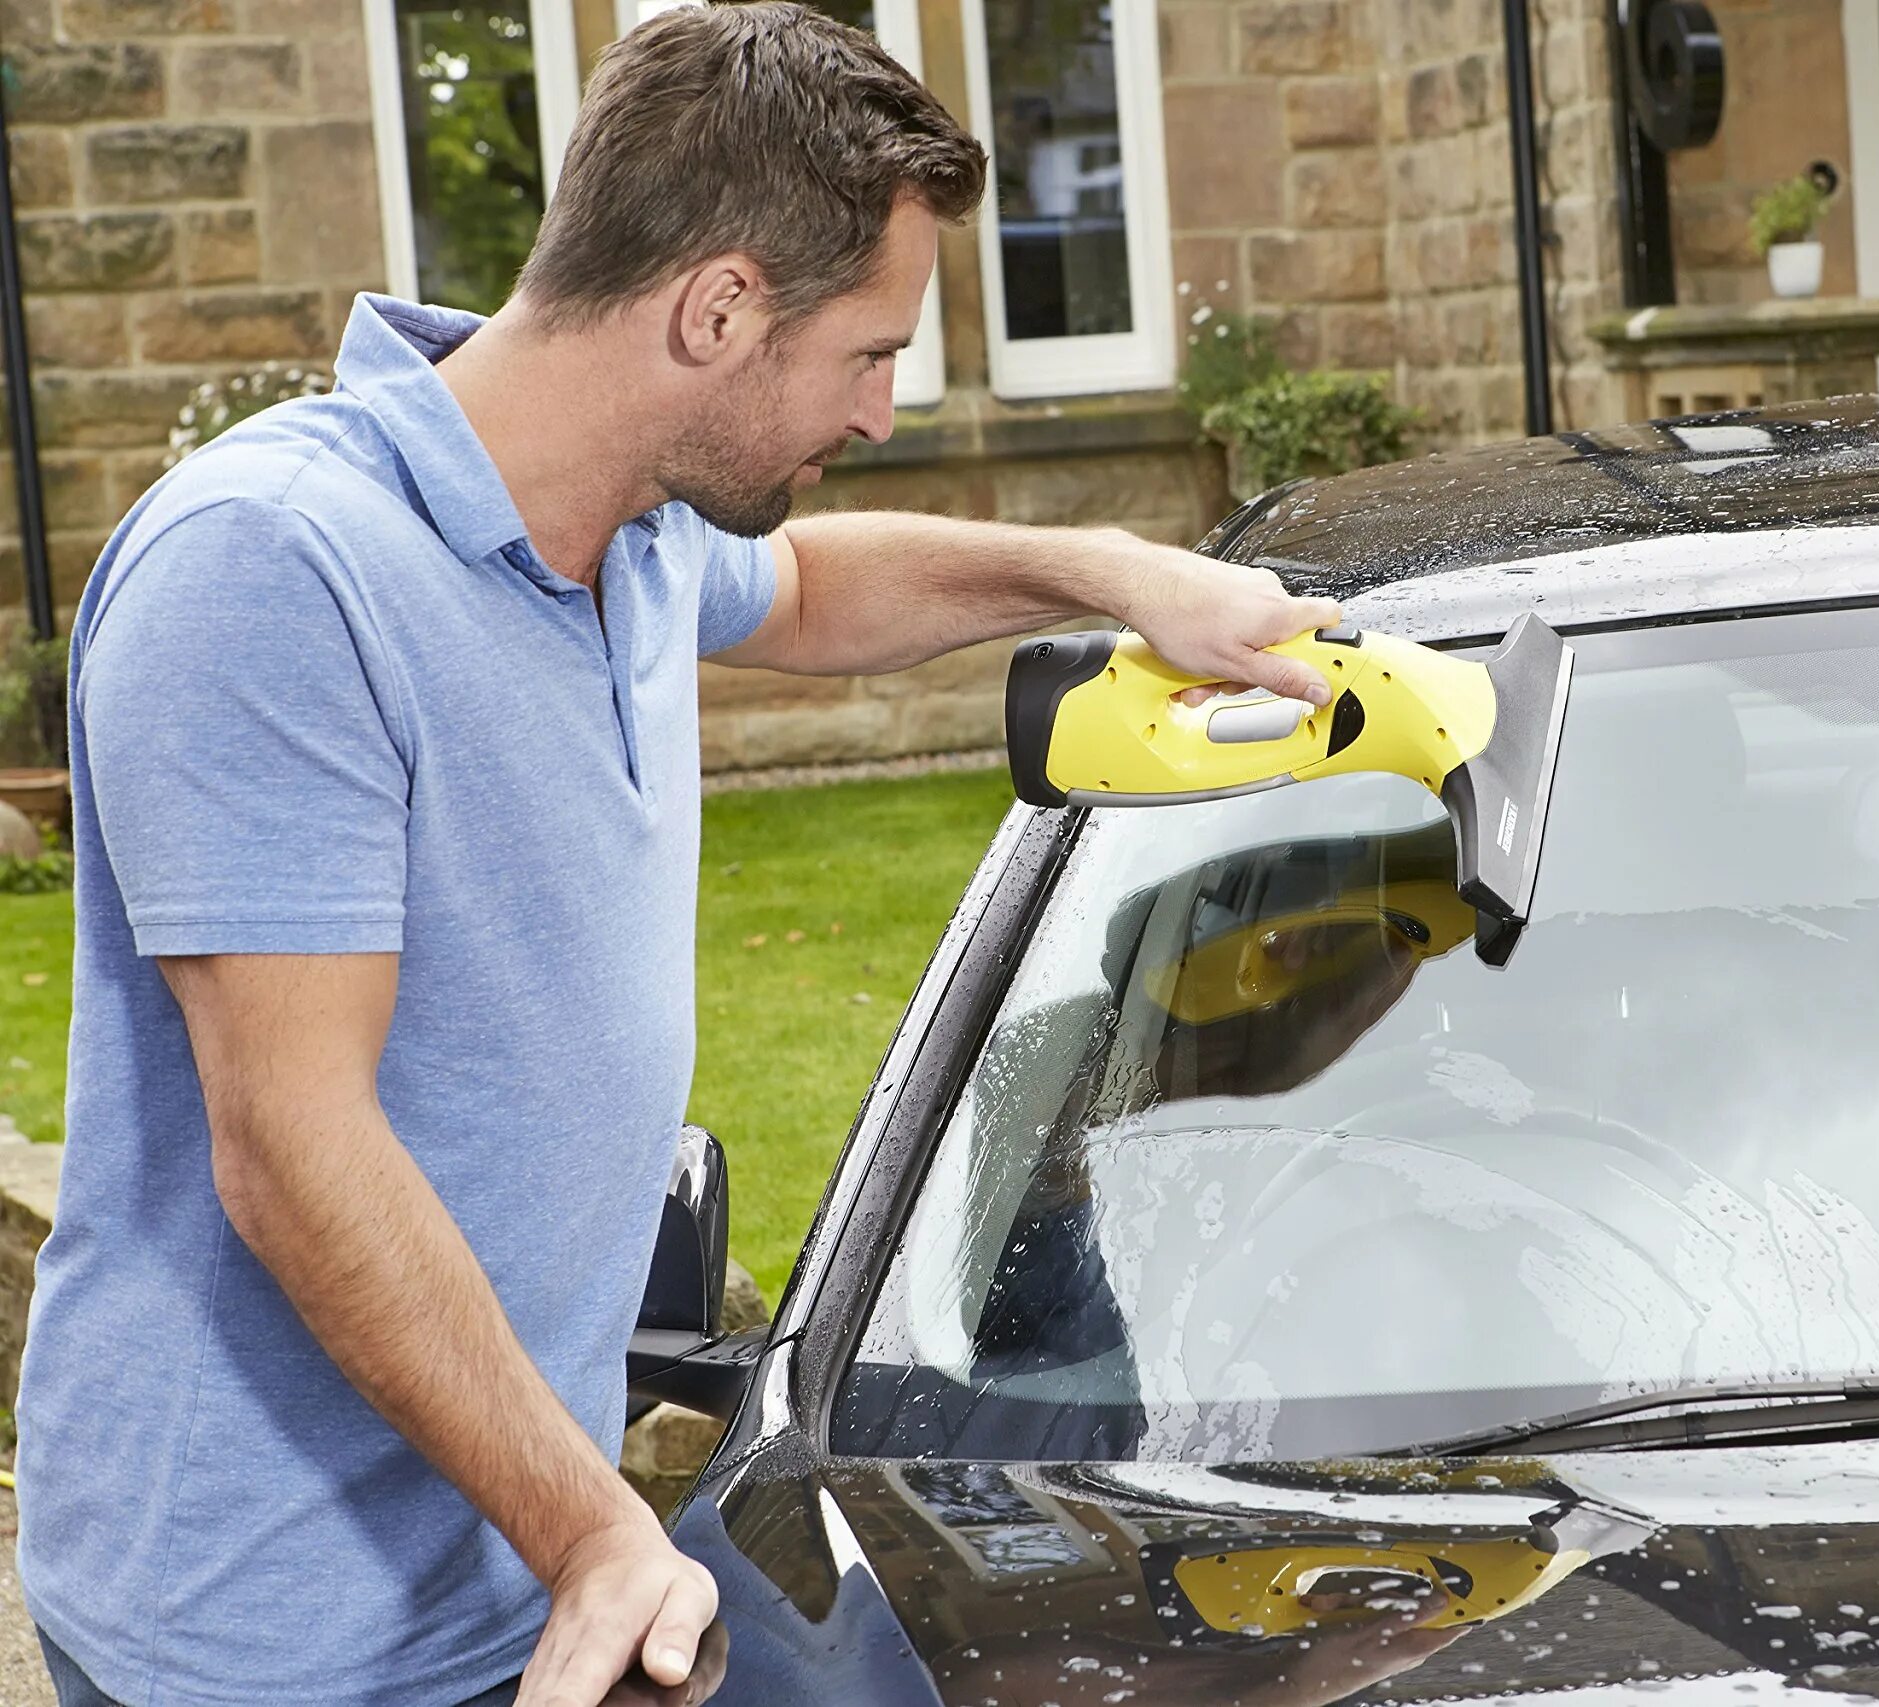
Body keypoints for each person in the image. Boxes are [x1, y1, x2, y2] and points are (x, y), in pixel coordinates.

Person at [11, 5, 1342, 1704]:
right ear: (717, 306)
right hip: (272, 1632)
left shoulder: (629, 536)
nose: (876, 412)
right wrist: (593, 1535)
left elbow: (820, 587)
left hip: (527, 1575)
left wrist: (1113, 574)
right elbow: (290, 1147)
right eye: (867, 353)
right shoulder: (272, 574)